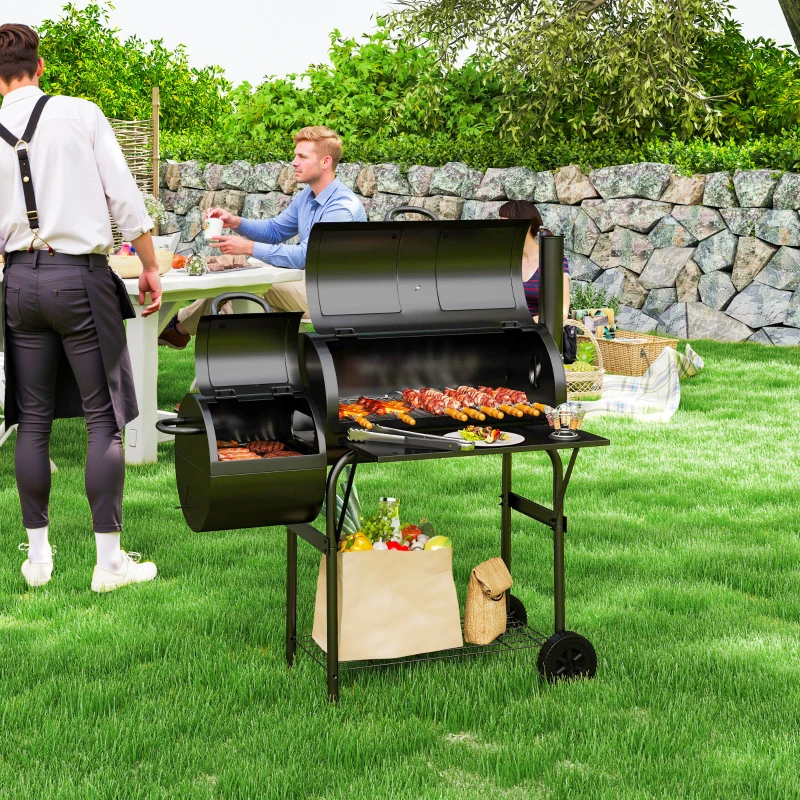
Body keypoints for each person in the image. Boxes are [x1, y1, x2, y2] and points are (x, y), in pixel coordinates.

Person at [0, 24, 162, 592]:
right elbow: (124, 195)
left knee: (32, 419)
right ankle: (110, 564)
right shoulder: (79, 113)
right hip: (79, 278)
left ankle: (38, 560)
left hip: (17, 280)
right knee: (104, 419)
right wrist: (148, 263)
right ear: (39, 66)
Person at [158, 126, 367, 348]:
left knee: (241, 285)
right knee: (240, 293)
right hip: (311, 287)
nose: (294, 162)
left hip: (333, 299)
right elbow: (275, 230)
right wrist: (235, 222)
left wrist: (248, 248)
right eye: (295, 155)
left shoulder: (342, 207)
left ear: (325, 162)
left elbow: (305, 256)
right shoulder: (307, 196)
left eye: (302, 156)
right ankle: (187, 330)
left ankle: (178, 327)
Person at [498, 200, 571, 322]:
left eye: (504, 226)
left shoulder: (552, 261)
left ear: (527, 226)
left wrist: (524, 325)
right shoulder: (504, 262)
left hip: (542, 336)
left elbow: (561, 311)